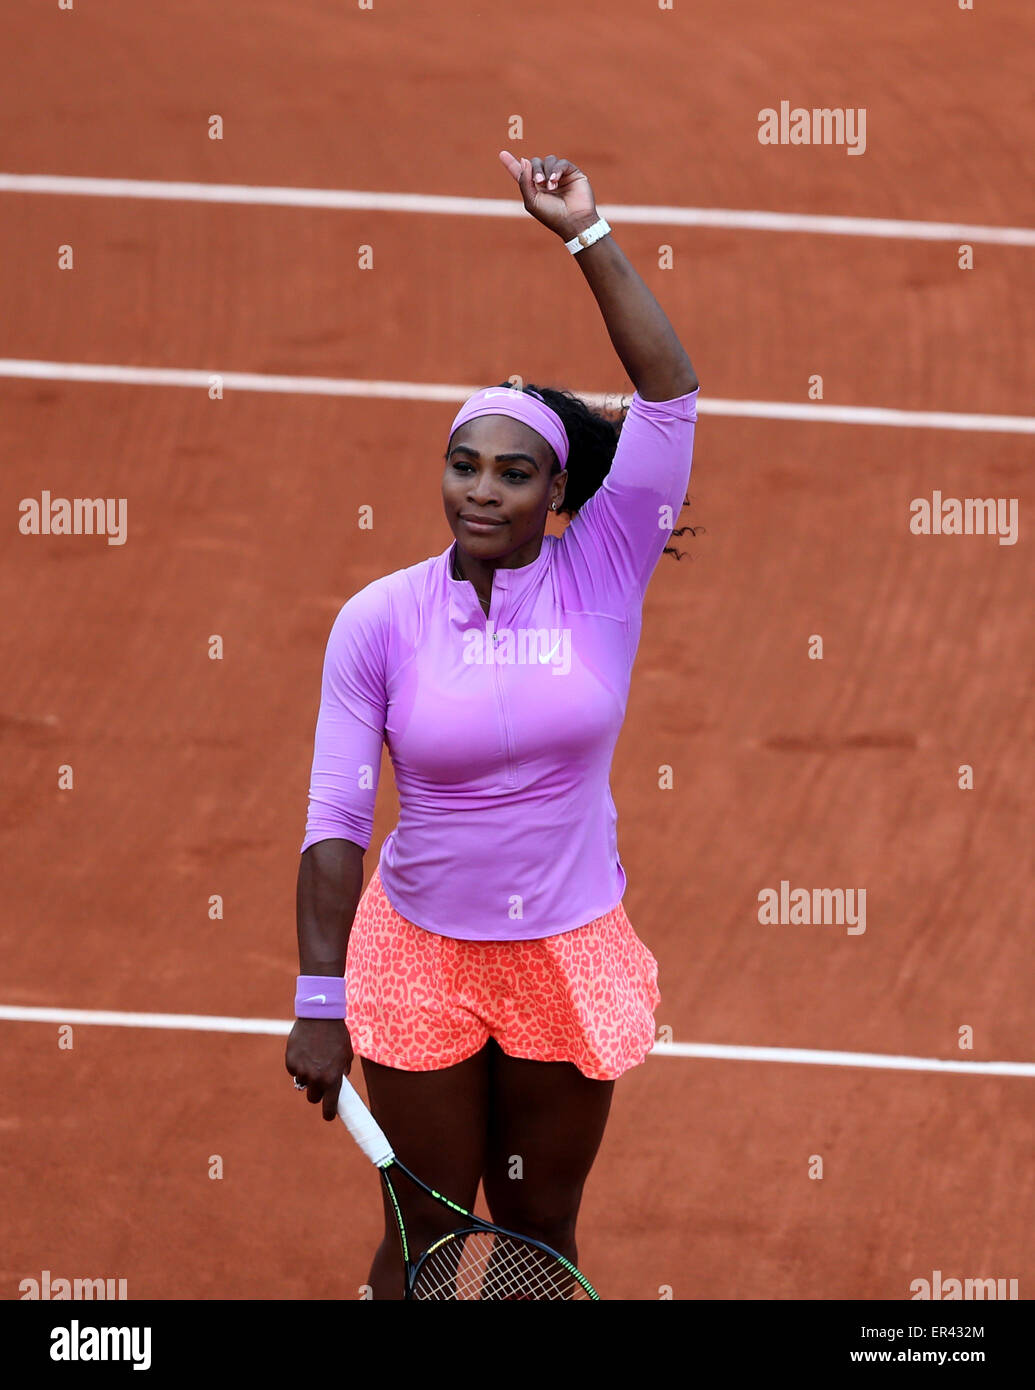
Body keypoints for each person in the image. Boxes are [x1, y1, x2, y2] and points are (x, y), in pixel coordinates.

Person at [286, 151, 699, 1299]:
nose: (480, 489)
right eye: (462, 464)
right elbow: (334, 819)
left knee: (539, 1228)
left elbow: (670, 396)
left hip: (566, 952)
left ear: (555, 498)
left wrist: (586, 232)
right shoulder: (379, 621)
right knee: (421, 1243)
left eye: (513, 474)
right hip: (420, 954)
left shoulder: (603, 574)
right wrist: (322, 1000)